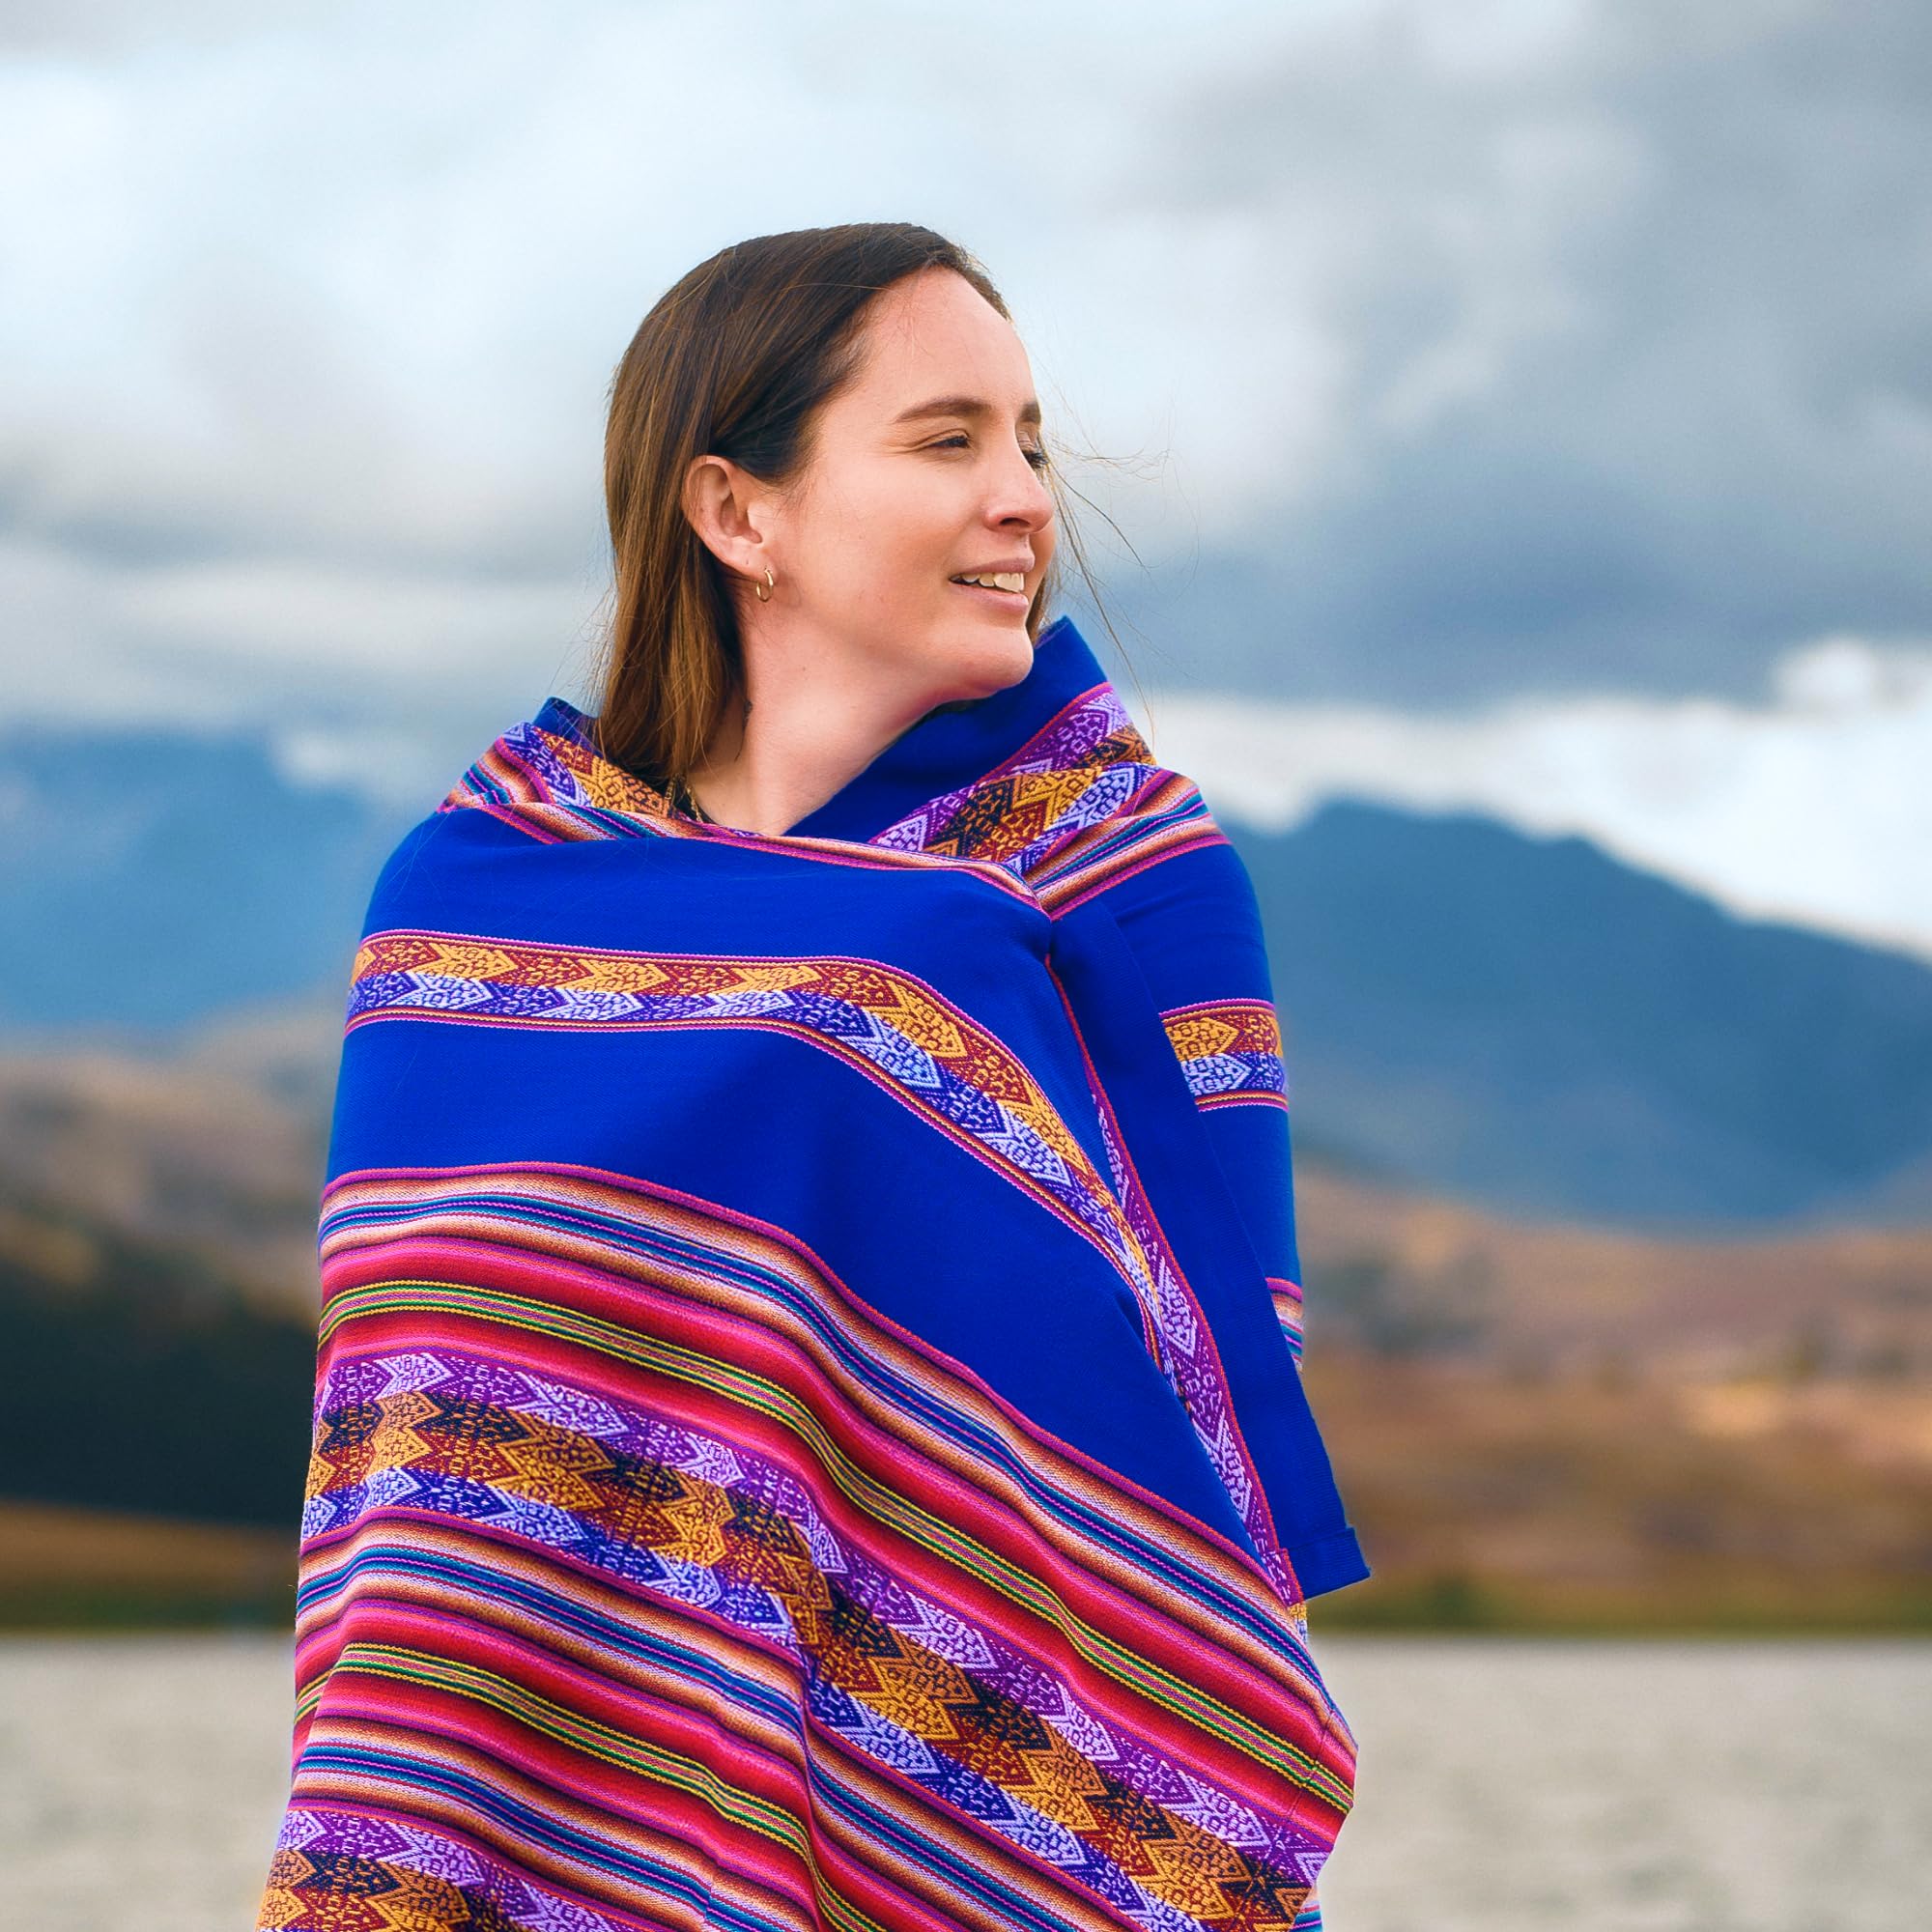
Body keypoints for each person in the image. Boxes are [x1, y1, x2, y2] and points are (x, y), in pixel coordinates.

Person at [255, 222, 1370, 1932]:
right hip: (504, 1816)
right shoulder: (477, 904)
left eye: (1030, 443)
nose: (1023, 500)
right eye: (946, 441)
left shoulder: (1123, 889)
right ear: (736, 512)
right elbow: (408, 1452)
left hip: (986, 1821)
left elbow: (1202, 1412)